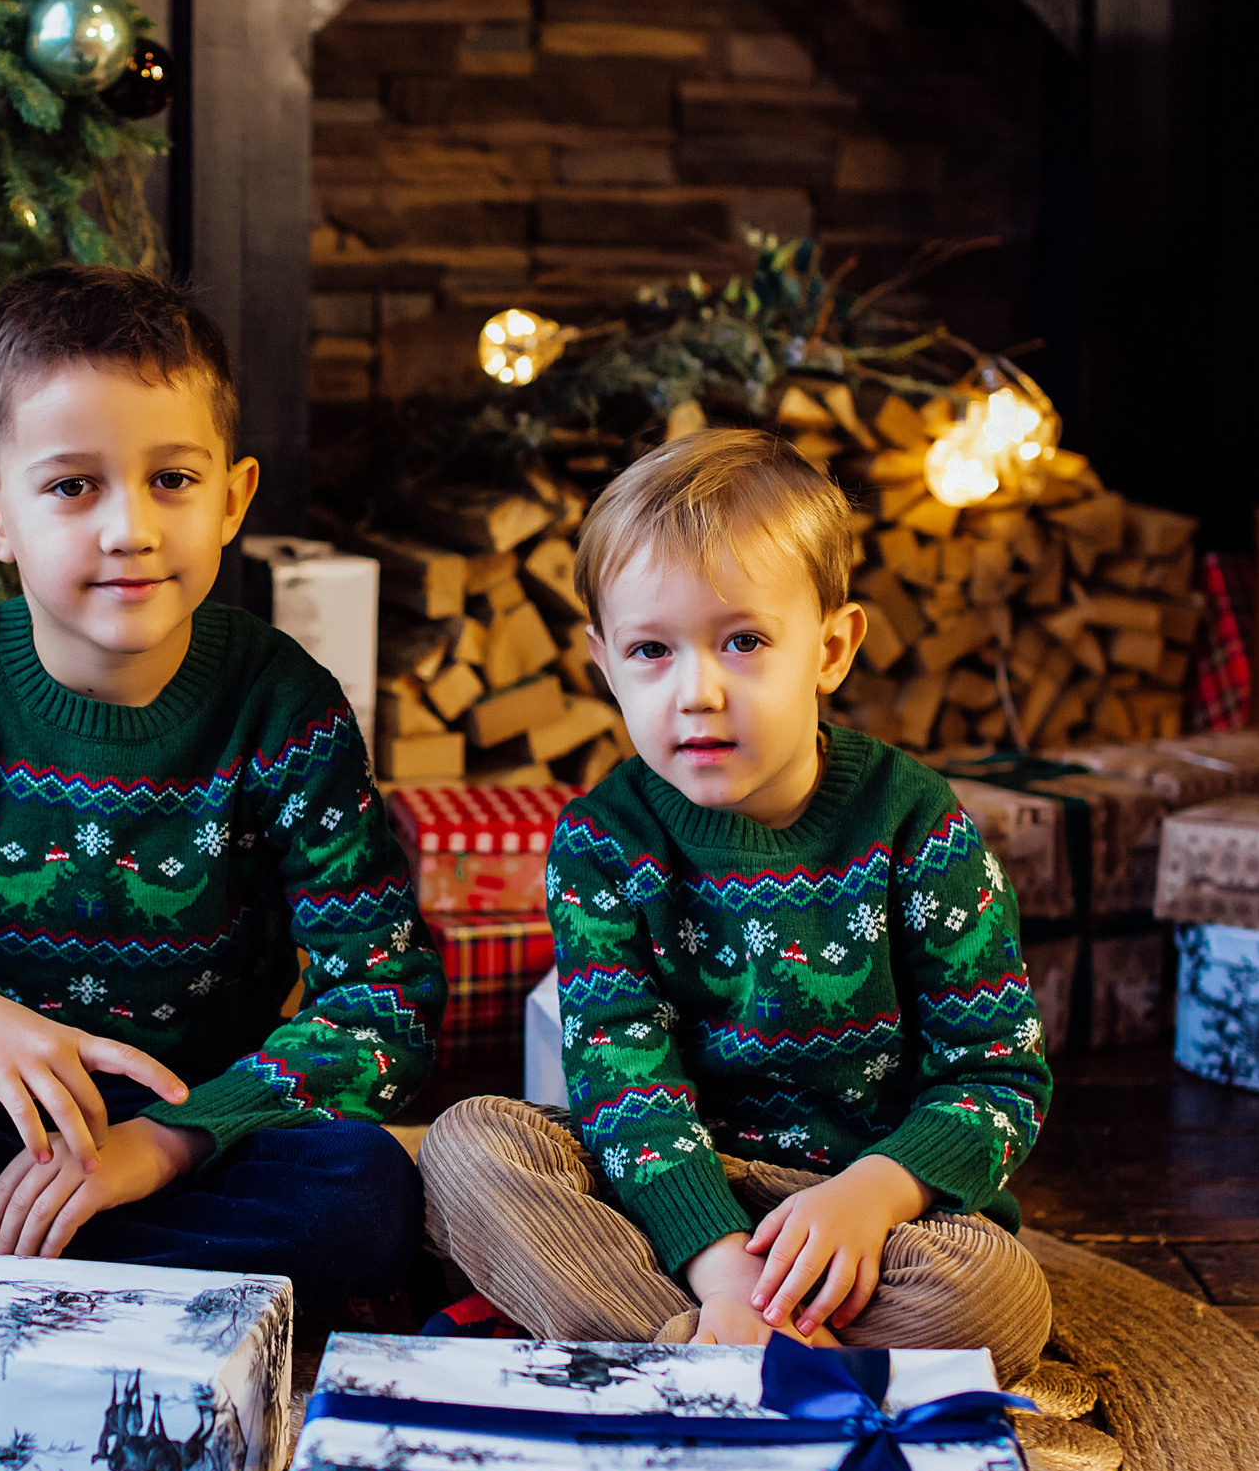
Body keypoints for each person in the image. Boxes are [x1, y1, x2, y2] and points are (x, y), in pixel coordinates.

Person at [0, 264, 441, 1320]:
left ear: (232, 497)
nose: (129, 529)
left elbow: (382, 1002)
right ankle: (135, 1279)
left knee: (364, 1196)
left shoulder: (286, 709)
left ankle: (0, 1268)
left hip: (189, 1137)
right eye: (72, 486)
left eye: (172, 481)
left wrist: (164, 1145)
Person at [418, 427, 1054, 1382]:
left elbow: (998, 1075)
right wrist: (717, 1271)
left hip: (854, 1211)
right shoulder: (603, 841)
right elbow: (622, 1081)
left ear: (832, 647)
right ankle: (717, 1346)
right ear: (603, 664)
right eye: (651, 652)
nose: (698, 692)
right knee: (468, 1147)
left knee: (996, 1293)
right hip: (657, 1185)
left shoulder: (916, 822)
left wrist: (875, 1196)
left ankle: (676, 1353)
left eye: (744, 641)